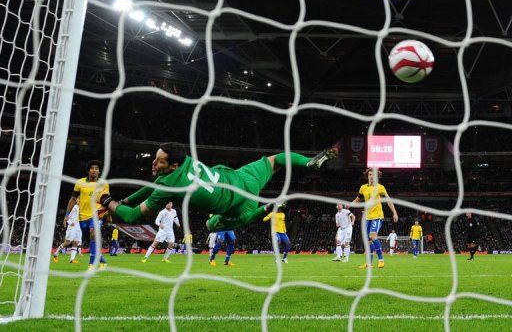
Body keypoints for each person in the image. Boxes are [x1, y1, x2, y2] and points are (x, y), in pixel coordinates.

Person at [98, 142, 338, 231]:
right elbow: (153, 185)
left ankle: (266, 208)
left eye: (158, 160)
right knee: (276, 160)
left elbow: (130, 217)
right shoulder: (185, 161)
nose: (153, 162)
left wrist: (106, 201)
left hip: (240, 205)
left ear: (172, 166)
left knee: (210, 226)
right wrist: (125, 200)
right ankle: (308, 162)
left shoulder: (170, 186)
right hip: (241, 179)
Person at [65, 160, 110, 270]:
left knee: (93, 234)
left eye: (96, 168)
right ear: (88, 170)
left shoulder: (104, 184)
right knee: (90, 240)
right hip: (82, 216)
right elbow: (73, 199)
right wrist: (67, 215)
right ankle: (102, 261)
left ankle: (91, 264)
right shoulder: (80, 183)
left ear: (99, 171)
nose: (94, 170)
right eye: (92, 168)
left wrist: (108, 216)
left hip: (97, 214)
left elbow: (107, 201)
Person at [353, 168, 398, 269]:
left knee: (373, 236)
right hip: (368, 217)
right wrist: (349, 205)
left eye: (373, 175)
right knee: (368, 240)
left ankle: (381, 260)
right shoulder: (363, 188)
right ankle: (369, 264)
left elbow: (388, 201)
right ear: (367, 176)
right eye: (369, 174)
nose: (371, 176)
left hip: (377, 216)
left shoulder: (380, 187)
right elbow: (357, 199)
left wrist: (394, 212)